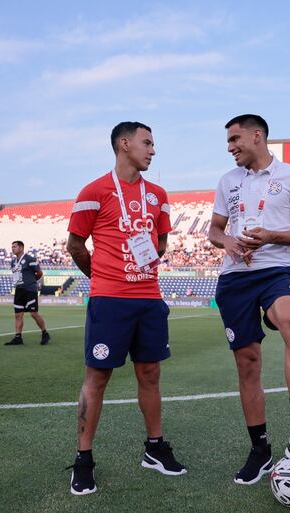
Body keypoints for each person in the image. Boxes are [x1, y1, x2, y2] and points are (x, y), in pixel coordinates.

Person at [65, 121, 185, 496]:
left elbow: (161, 242)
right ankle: (84, 460)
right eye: (147, 143)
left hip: (149, 299)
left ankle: (154, 447)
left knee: (150, 375)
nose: (152, 150)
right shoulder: (94, 191)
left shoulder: (159, 194)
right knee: (97, 378)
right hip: (110, 301)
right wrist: (101, 276)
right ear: (124, 144)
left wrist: (141, 264)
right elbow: (75, 245)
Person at [208, 114, 290, 486]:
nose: (230, 147)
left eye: (235, 139)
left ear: (257, 136)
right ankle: (259, 451)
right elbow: (214, 229)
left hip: (275, 272)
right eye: (228, 142)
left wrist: (270, 237)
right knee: (248, 364)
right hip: (234, 280)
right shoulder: (228, 181)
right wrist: (228, 242)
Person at [5, 240, 50, 346]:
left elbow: (39, 273)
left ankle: (45, 333)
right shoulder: (13, 262)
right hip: (19, 289)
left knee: (33, 313)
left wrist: (32, 281)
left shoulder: (30, 259)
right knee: (18, 314)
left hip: (30, 289)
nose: (13, 248)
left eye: (14, 247)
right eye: (12, 247)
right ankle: (18, 337)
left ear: (21, 248)